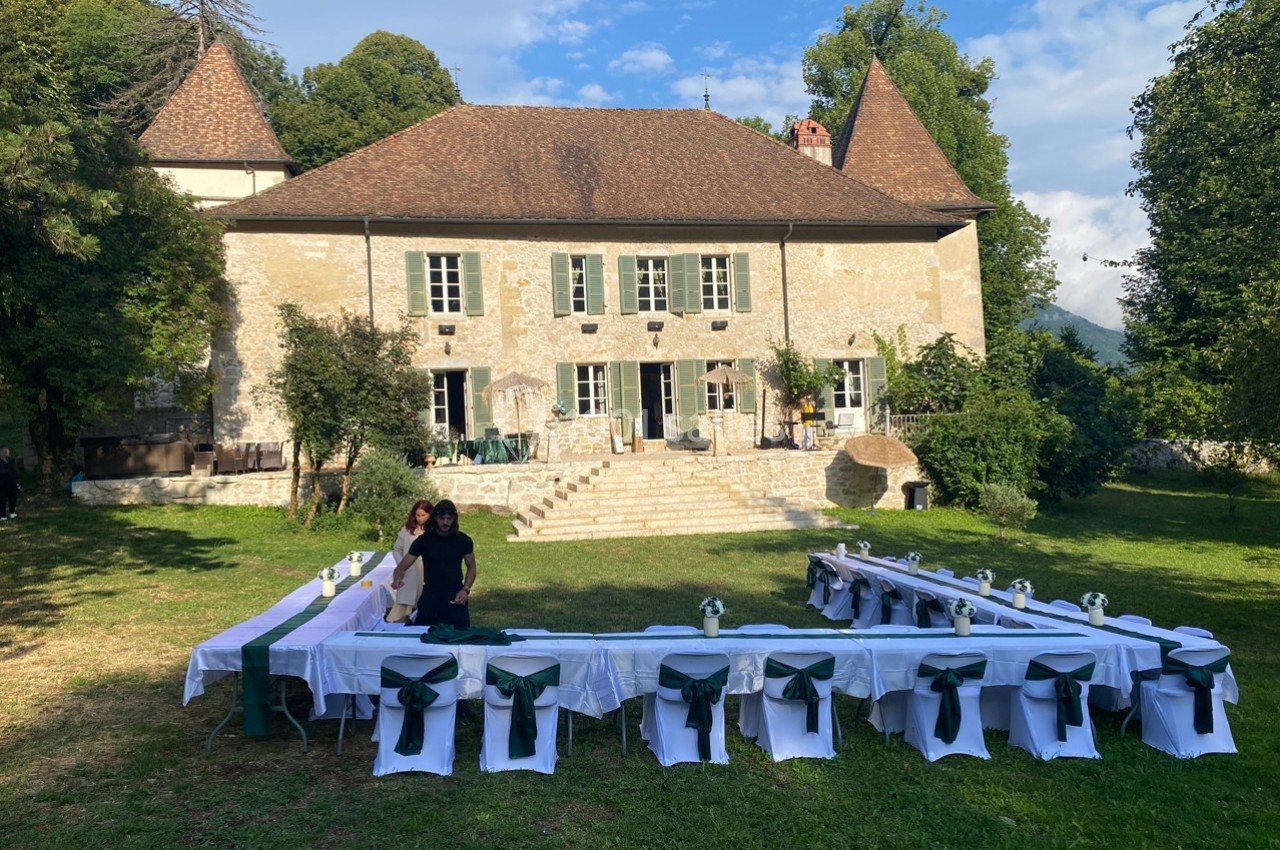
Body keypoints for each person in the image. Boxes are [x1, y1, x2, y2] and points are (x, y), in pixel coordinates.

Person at [390, 499, 476, 629]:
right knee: (422, 636)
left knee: (460, 638)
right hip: (431, 595)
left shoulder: (463, 541)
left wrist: (466, 589)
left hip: (455, 594)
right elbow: (402, 567)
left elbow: (471, 568)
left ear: (454, 519)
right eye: (442, 518)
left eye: (449, 518)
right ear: (435, 518)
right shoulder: (423, 541)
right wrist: (398, 578)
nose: (445, 522)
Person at [386, 499, 433, 623]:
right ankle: (401, 618)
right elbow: (397, 549)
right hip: (409, 569)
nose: (420, 518)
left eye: (423, 515)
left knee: (424, 596)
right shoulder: (407, 530)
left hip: (428, 569)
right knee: (407, 596)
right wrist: (401, 565)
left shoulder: (434, 532)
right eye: (418, 515)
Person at [0, 446, 19, 520]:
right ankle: (2, 515)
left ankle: (12, 512)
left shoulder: (11, 460)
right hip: (1, 483)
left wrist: (16, 479)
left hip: (11, 482)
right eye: (3, 451)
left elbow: (14, 470)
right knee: (2, 499)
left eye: (6, 451)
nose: (5, 452)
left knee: (12, 497)